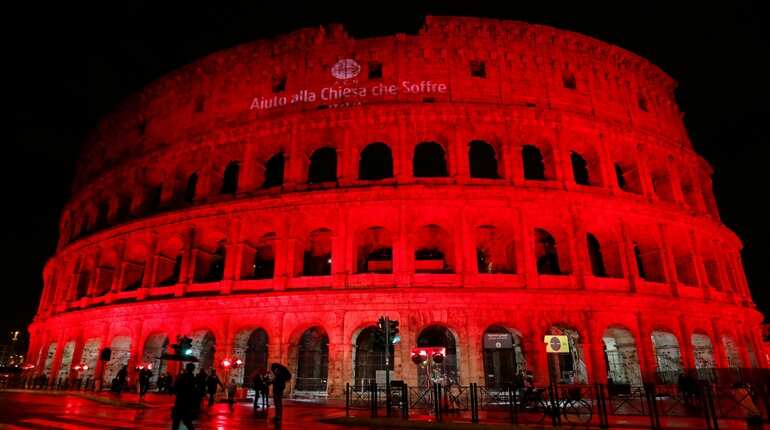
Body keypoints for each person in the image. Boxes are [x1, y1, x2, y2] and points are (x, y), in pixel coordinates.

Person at [172, 363, 198, 430]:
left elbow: (175, 389)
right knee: (187, 421)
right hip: (188, 403)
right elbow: (194, 392)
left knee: (177, 421)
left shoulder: (181, 377)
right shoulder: (193, 379)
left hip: (180, 402)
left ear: (186, 368)